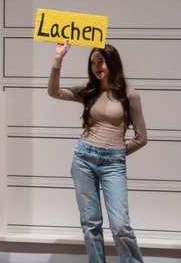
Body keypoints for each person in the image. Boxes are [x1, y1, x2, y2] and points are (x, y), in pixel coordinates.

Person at [48, 41, 147, 263]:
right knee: (91, 224)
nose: (96, 67)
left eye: (100, 61)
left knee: (121, 225)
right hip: (83, 160)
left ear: (112, 62)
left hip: (113, 163)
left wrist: (117, 153)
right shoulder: (89, 91)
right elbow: (54, 92)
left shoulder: (130, 95)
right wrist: (58, 58)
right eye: (92, 63)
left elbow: (142, 138)